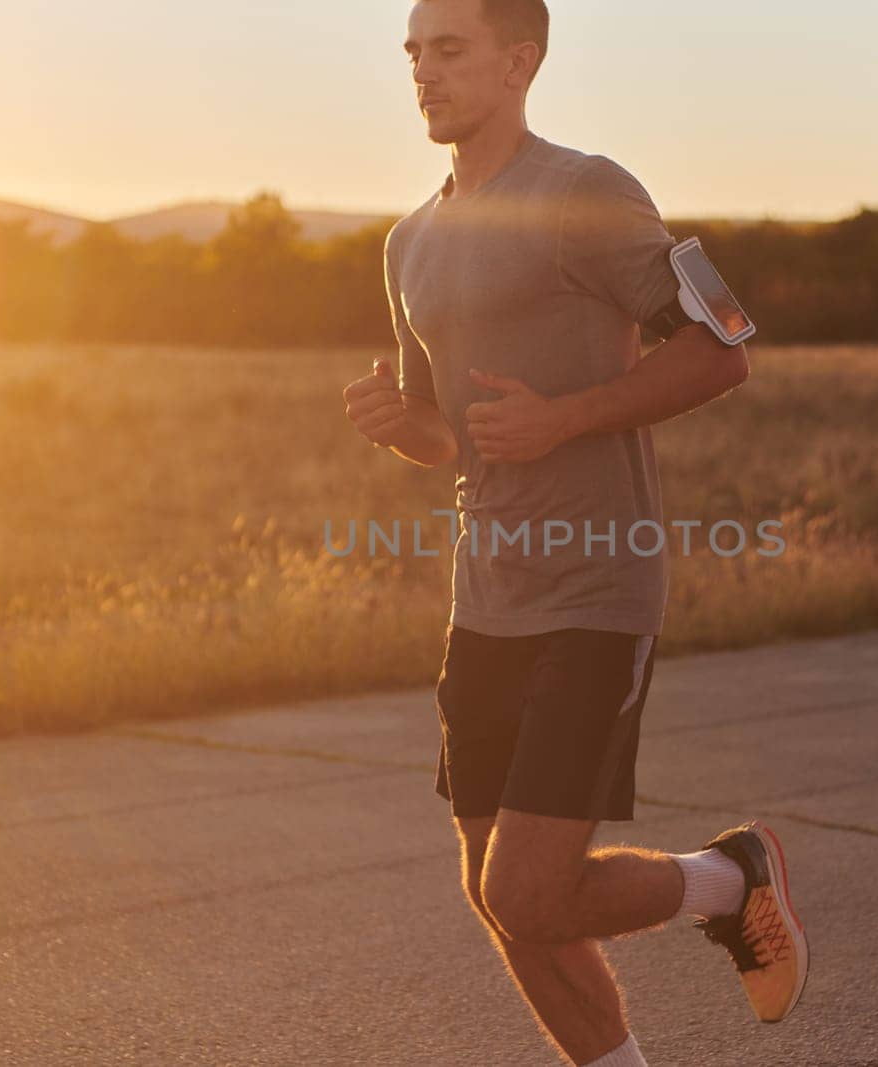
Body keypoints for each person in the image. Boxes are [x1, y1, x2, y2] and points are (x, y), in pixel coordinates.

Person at [339, 2, 807, 1063]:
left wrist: (564, 416)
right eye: (412, 52)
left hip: (598, 587)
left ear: (519, 61)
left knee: (528, 884)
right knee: (495, 892)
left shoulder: (585, 191)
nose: (423, 72)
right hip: (485, 596)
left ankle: (727, 877)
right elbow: (447, 434)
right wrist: (396, 424)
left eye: (447, 50)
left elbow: (724, 345)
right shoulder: (408, 239)